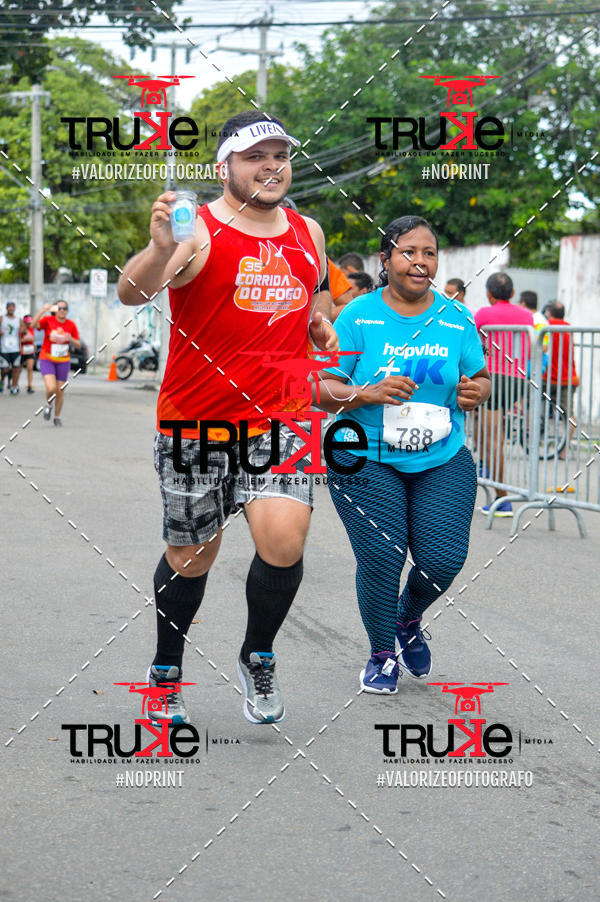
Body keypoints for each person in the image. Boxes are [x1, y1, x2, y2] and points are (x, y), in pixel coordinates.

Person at [118, 109, 337, 726]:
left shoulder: (308, 231)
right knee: (192, 556)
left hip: (282, 418)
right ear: (225, 167)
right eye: (254, 157)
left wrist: (320, 318)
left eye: (279, 156)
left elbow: (318, 284)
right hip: (196, 421)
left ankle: (257, 653)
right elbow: (132, 292)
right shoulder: (199, 231)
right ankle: (166, 669)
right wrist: (159, 250)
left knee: (285, 544)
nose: (271, 166)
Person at [316, 215, 490, 693]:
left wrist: (476, 392)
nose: (419, 261)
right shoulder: (358, 317)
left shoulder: (456, 318)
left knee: (443, 560)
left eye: (429, 253)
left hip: (441, 456)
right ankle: (381, 654)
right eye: (408, 251)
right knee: (382, 556)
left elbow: (480, 377)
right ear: (386, 259)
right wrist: (368, 393)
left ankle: (407, 619)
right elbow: (321, 388)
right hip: (364, 456)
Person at [474, 273, 533, 517]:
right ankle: (489, 472)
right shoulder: (526, 315)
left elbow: (472, 344)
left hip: (494, 377)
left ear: (489, 294)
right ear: (512, 293)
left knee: (493, 438)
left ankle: (502, 498)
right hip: (518, 378)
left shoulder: (483, 315)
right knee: (485, 432)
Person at [31, 300, 81, 426]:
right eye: (59, 308)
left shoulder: (71, 325)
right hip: (47, 358)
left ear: (67, 311)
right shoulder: (48, 320)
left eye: (65, 308)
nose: (62, 310)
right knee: (51, 387)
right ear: (55, 310)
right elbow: (33, 324)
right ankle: (48, 404)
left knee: (60, 390)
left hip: (63, 361)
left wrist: (71, 339)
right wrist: (43, 310)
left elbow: (78, 344)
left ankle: (57, 417)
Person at [546, 302, 579, 459]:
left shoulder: (546, 326)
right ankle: (564, 449)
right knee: (569, 415)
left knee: (530, 404)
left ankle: (530, 438)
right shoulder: (569, 328)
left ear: (549, 313)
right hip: (568, 378)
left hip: (547, 377)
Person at [0, 301, 24, 395]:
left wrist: (22, 331)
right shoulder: (2, 318)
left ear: (14, 309)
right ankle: (2, 380)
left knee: (15, 369)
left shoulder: (18, 320)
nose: (11, 309)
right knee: (5, 369)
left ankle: (14, 386)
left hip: (15, 348)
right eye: (9, 307)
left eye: (12, 307)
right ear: (6, 308)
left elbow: (24, 330)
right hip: (4, 348)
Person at [20, 314, 36, 394]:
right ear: (24, 322)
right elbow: (19, 340)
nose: (29, 324)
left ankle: (29, 386)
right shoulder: (20, 329)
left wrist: (28, 339)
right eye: (27, 323)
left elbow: (33, 338)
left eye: (30, 322)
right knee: (18, 369)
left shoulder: (31, 329)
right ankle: (14, 384)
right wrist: (25, 339)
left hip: (30, 351)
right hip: (21, 351)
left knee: (30, 367)